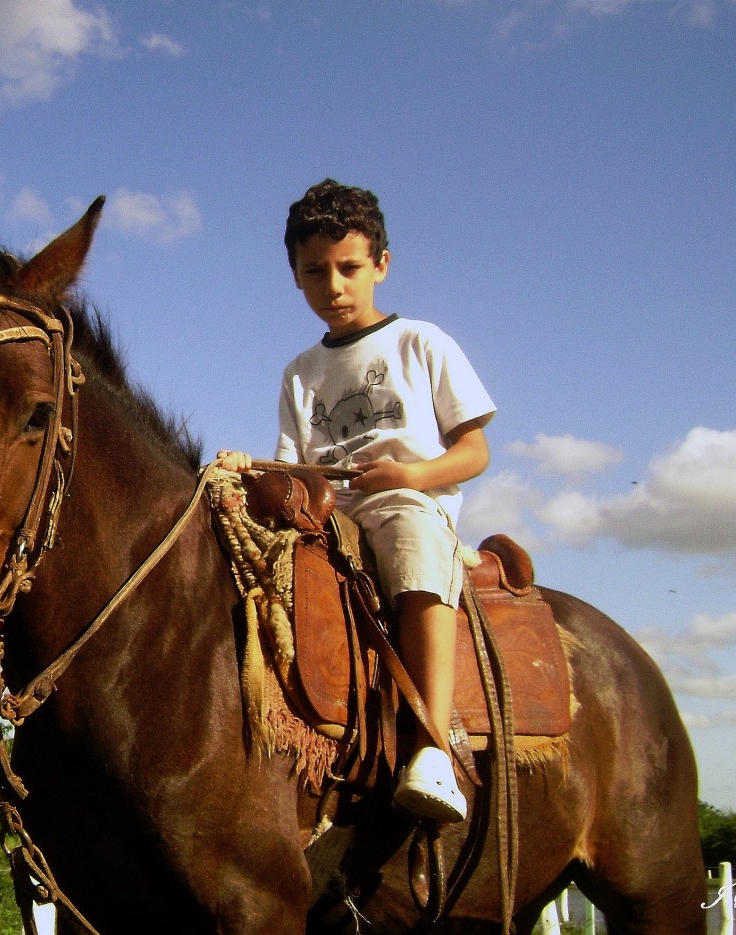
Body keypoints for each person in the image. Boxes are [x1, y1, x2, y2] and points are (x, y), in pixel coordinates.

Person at [217, 179, 495, 824]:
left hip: (404, 500)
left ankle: (431, 748)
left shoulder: (420, 342)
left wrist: (410, 476)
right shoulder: (299, 370)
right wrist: (245, 465)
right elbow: (293, 465)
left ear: (381, 266)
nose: (334, 287)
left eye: (349, 268)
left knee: (411, 540)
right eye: (315, 272)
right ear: (295, 277)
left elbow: (475, 452)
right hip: (327, 508)